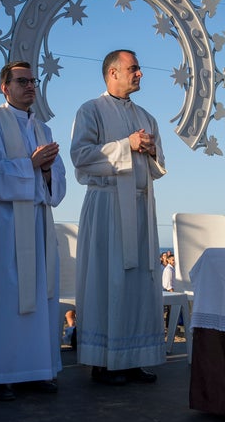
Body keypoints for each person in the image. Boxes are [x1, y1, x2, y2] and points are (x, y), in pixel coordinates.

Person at [0, 61, 66, 402]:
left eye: (33, 80)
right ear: (4, 87)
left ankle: (35, 370)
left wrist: (47, 173)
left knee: (38, 295)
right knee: (1, 297)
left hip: (36, 222)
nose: (30, 86)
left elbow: (57, 186)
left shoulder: (43, 129)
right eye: (22, 81)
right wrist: (30, 165)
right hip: (2, 225)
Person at [70, 49, 166, 386]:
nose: (140, 74)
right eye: (134, 69)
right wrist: (126, 144)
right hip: (108, 206)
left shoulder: (146, 116)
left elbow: (158, 167)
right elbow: (80, 157)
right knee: (108, 281)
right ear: (113, 72)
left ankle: (134, 357)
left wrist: (152, 150)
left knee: (139, 283)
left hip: (140, 206)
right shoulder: (90, 110)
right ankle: (105, 361)